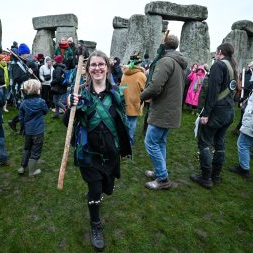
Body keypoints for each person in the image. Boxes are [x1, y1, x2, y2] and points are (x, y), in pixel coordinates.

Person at [67, 50, 131, 251]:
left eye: (100, 64)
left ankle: (99, 192)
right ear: (87, 70)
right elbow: (67, 124)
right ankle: (95, 224)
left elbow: (123, 121)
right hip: (88, 154)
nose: (97, 68)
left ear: (108, 67)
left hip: (111, 153)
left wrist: (125, 145)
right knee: (95, 190)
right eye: (93, 65)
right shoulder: (80, 94)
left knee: (107, 188)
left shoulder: (117, 93)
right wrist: (71, 108)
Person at [139, 34, 188, 190]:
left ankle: (162, 179)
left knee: (151, 142)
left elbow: (155, 87)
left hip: (163, 110)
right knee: (160, 142)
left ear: (164, 45)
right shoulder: (179, 63)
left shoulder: (166, 61)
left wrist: (140, 96)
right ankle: (160, 171)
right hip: (171, 109)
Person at [190, 43, 237, 189]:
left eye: (216, 52)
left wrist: (206, 113)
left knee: (204, 142)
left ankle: (206, 178)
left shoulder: (218, 66)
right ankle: (215, 175)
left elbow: (213, 92)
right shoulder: (233, 67)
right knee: (219, 142)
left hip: (217, 110)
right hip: (229, 110)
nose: (215, 54)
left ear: (220, 52)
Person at [17, 79, 48, 176]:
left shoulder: (23, 103)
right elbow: (45, 111)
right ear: (38, 90)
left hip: (28, 130)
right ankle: (32, 171)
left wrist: (22, 128)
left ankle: (22, 167)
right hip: (38, 130)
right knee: (36, 150)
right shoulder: (41, 102)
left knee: (27, 148)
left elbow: (21, 118)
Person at [120, 54, 146, 145]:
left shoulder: (124, 74)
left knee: (126, 120)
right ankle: (130, 139)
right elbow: (144, 89)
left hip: (124, 99)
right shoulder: (141, 75)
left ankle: (124, 137)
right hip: (135, 100)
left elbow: (121, 87)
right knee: (132, 120)